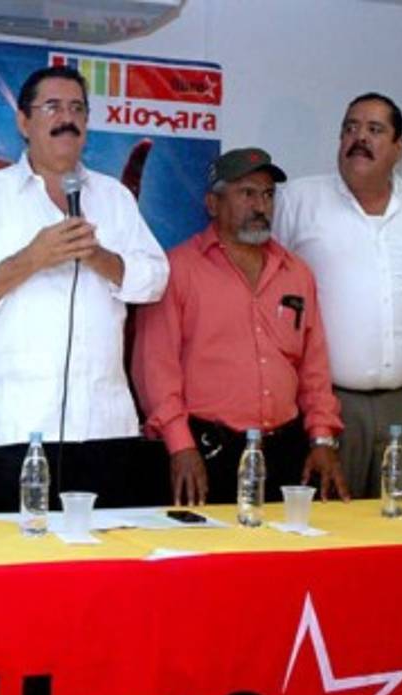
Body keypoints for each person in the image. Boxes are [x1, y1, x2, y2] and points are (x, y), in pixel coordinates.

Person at [0, 65, 168, 511]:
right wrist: (33, 258)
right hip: (19, 428)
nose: (67, 119)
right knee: (22, 551)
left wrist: (100, 258)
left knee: (108, 550)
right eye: (53, 107)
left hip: (105, 426)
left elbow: (155, 279)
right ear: (24, 122)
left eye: (77, 108)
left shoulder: (113, 197)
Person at [132, 147, 347, 506]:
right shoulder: (178, 271)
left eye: (268, 194)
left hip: (285, 452)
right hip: (207, 452)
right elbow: (155, 369)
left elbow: (314, 369)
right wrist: (180, 446)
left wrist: (322, 438)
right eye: (247, 193)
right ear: (213, 204)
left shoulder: (296, 273)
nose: (260, 206)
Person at [274, 92, 402, 499]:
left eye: (374, 129)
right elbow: (273, 291)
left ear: (400, 147)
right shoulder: (298, 200)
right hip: (329, 401)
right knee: (332, 515)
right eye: (350, 128)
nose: (359, 138)